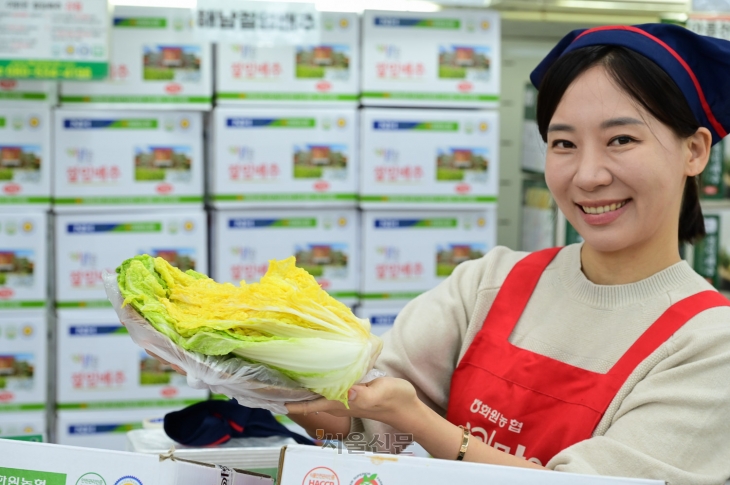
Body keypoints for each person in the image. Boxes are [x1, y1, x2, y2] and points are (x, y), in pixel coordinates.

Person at [284, 24, 730, 483]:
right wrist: (279, 377)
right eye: (563, 144)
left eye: (621, 140)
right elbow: (371, 440)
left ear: (694, 151)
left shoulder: (711, 344)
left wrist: (423, 423)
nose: (589, 175)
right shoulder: (487, 284)